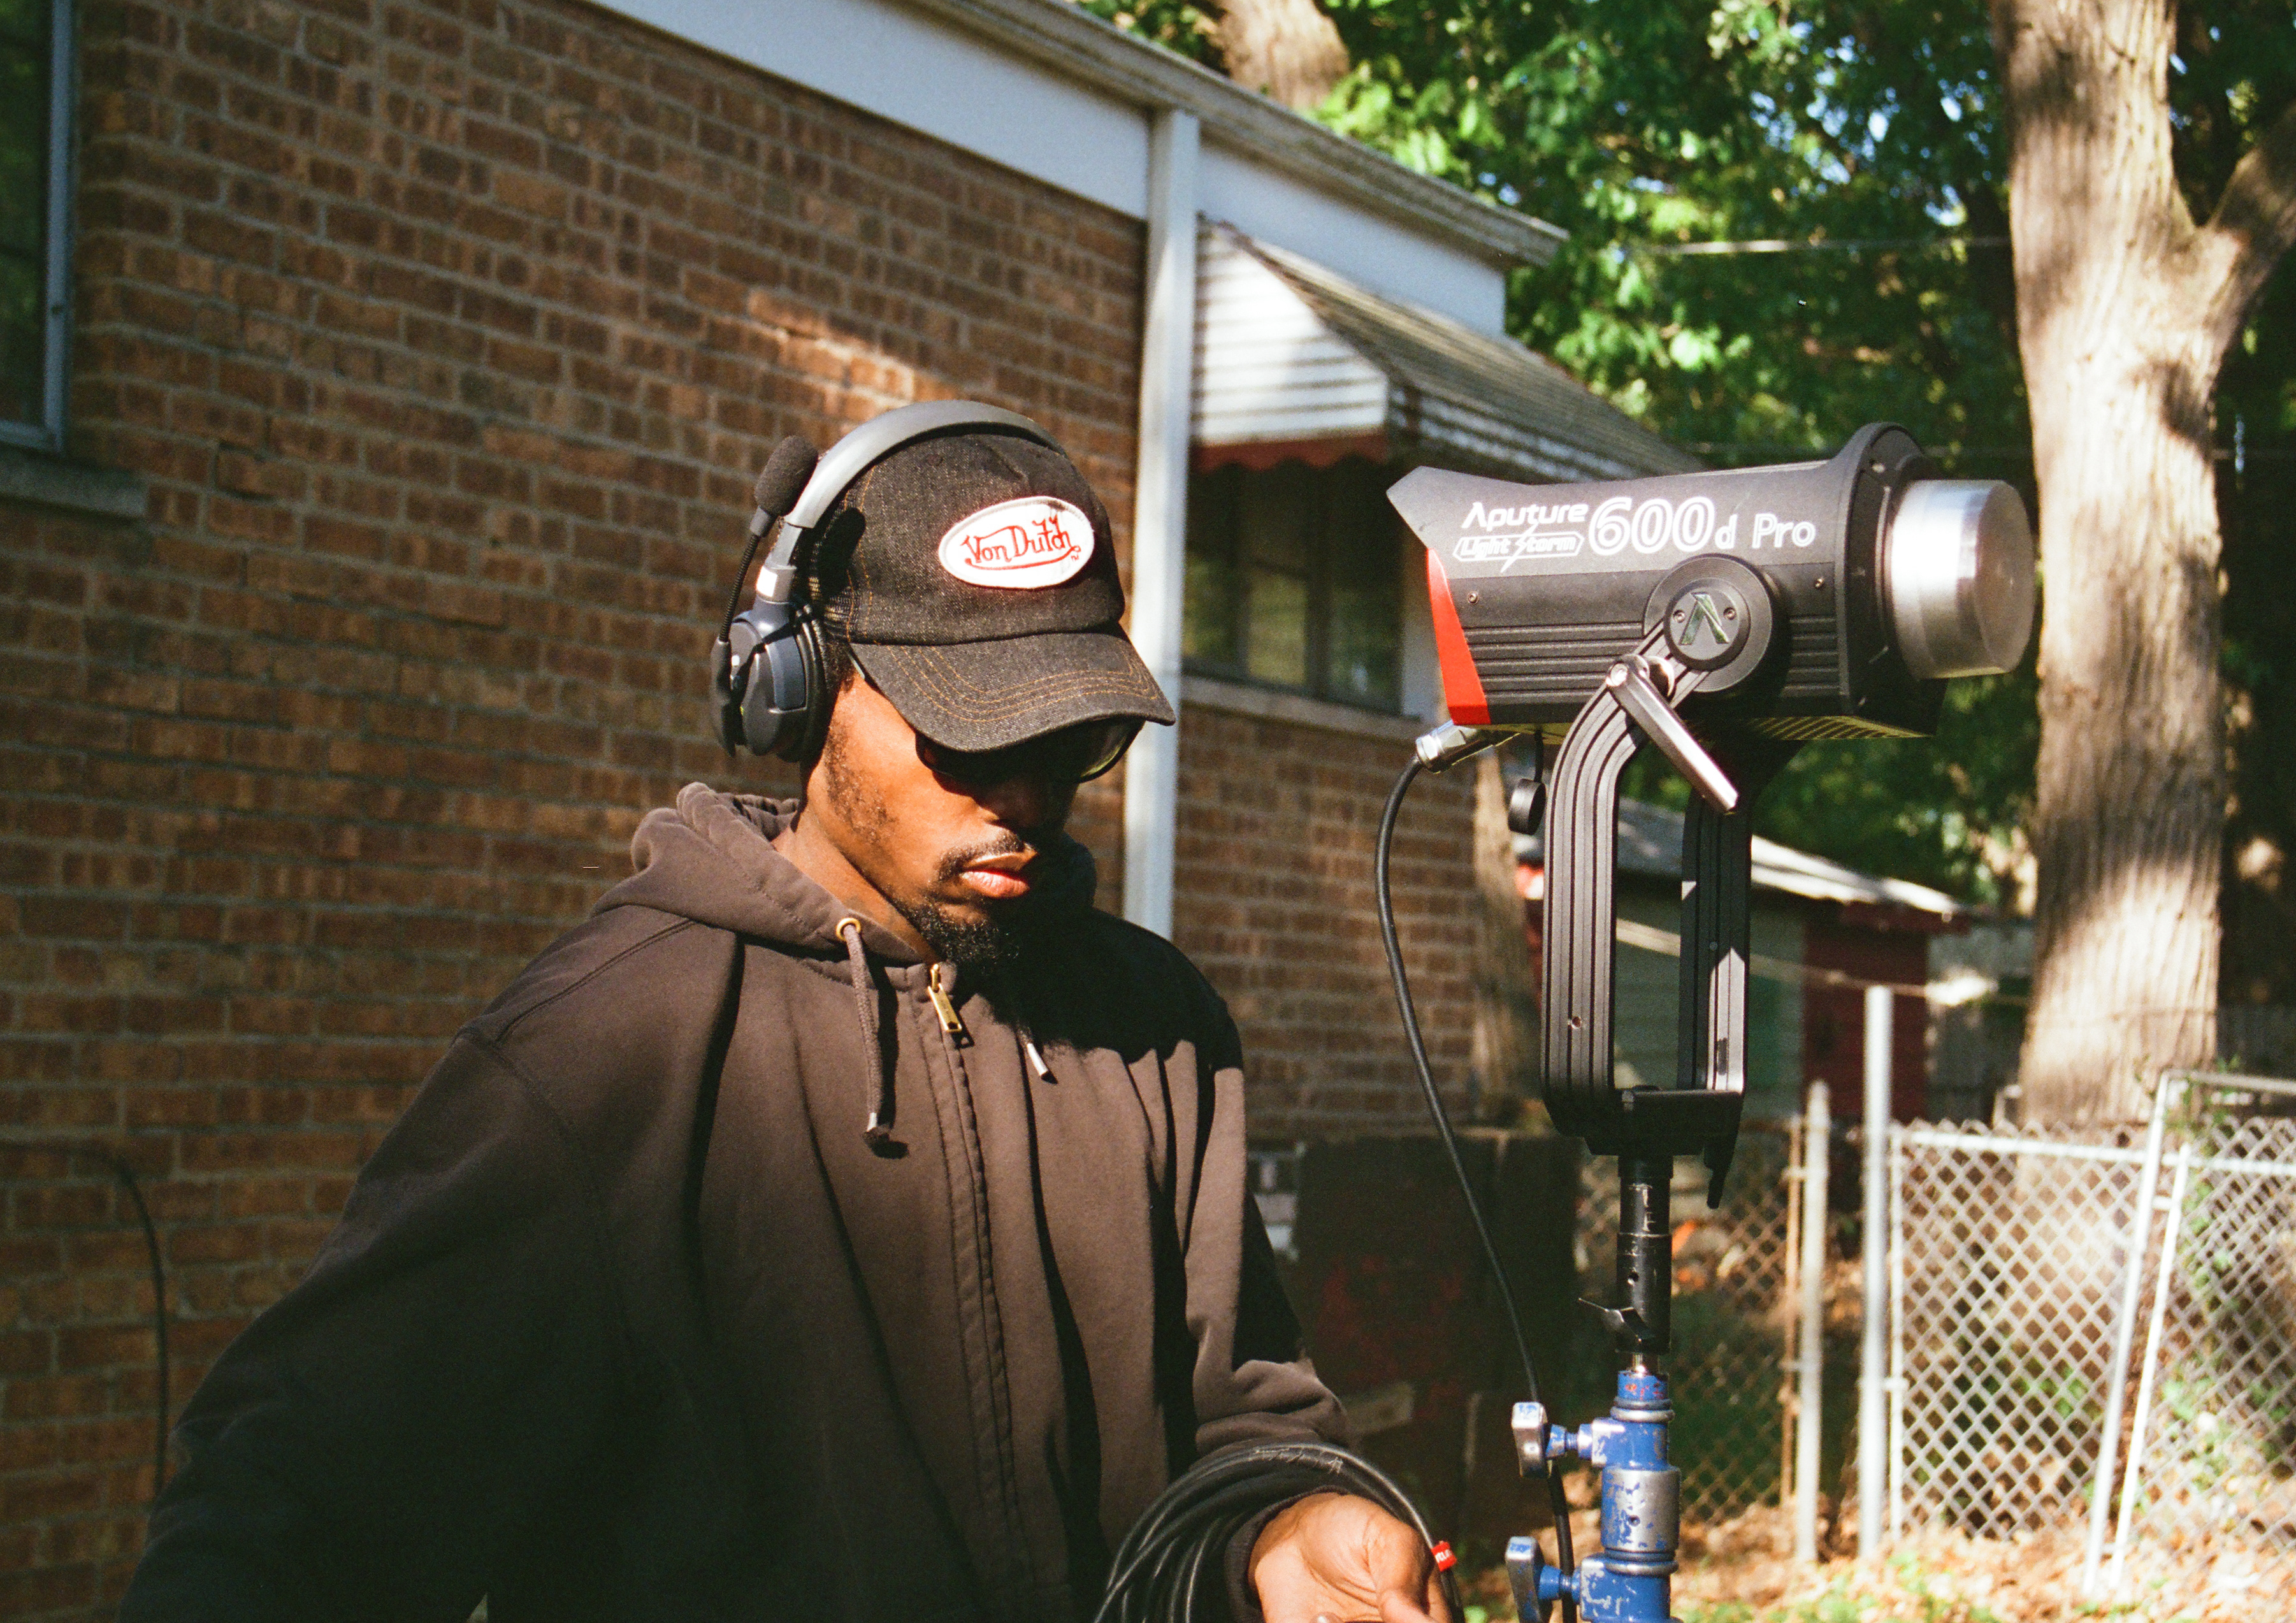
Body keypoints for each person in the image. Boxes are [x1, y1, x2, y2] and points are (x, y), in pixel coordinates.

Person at [120, 408, 1454, 1623]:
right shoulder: (600, 1060)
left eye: (1068, 739)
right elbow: (288, 1521)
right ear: (800, 689)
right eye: (972, 734)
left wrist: (1290, 1528)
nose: (1027, 795)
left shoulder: (1157, 1026)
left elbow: (1246, 1425)